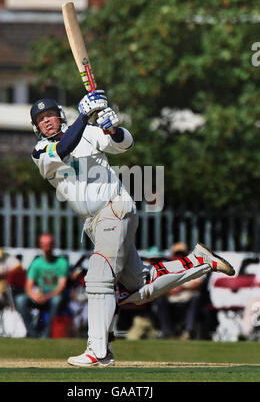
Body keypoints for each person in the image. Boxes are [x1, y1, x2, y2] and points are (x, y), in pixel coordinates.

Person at [30, 90, 235, 367]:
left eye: (50, 115)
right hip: (94, 224)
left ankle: (98, 351)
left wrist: (112, 128)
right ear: (36, 127)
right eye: (41, 119)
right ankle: (200, 261)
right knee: (142, 285)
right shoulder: (41, 152)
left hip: (113, 209)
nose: (47, 121)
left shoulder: (89, 132)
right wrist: (85, 115)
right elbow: (65, 147)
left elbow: (124, 144)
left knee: (98, 276)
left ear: (59, 116)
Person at [15, 233, 69, 338]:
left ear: (53, 245)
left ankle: (47, 334)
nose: (46, 248)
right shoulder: (37, 263)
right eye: (44, 245)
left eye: (48, 244)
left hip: (54, 295)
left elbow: (61, 287)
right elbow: (28, 285)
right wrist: (33, 295)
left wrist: (47, 297)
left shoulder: (62, 262)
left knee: (56, 300)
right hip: (40, 294)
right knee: (20, 300)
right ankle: (32, 333)